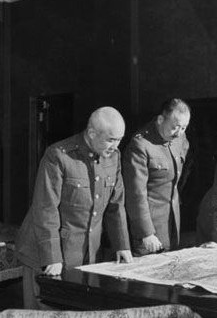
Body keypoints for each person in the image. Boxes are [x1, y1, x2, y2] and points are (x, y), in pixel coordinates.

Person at [15, 106, 133, 309]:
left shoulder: (113, 157)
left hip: (87, 256)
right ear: (92, 132)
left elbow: (115, 205)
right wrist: (51, 258)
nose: (116, 146)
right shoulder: (58, 156)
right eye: (111, 139)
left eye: (119, 139)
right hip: (45, 254)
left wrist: (122, 245)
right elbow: (45, 209)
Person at [123, 98, 190, 255]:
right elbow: (136, 193)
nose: (179, 133)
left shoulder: (180, 138)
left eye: (184, 128)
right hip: (149, 227)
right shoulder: (140, 145)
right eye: (175, 127)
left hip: (172, 222)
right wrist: (146, 232)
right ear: (160, 120)